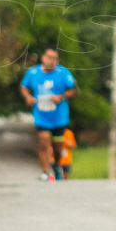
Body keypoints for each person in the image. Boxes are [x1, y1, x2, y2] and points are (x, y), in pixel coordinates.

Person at [20, 47, 78, 182]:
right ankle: (45, 171)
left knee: (57, 148)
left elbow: (74, 90)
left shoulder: (63, 73)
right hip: (41, 116)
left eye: (55, 58)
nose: (52, 61)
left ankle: (57, 165)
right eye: (50, 57)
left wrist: (61, 96)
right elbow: (24, 87)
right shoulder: (33, 72)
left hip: (59, 117)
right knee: (43, 142)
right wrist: (28, 97)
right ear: (43, 58)